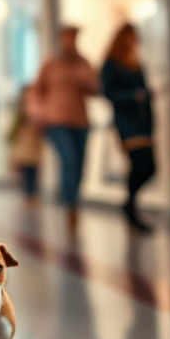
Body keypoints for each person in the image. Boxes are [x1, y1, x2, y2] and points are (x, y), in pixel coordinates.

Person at [33, 24, 98, 232]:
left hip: (80, 120)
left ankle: (74, 199)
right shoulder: (51, 64)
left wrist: (79, 70)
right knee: (69, 160)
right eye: (67, 37)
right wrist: (39, 113)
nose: (70, 42)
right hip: (56, 121)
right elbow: (37, 91)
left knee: (79, 164)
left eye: (73, 38)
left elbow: (94, 87)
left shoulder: (83, 62)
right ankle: (71, 204)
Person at [101, 23, 155, 233]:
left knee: (149, 166)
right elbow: (108, 92)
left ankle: (130, 204)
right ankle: (131, 207)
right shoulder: (111, 64)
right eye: (129, 36)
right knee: (142, 164)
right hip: (127, 122)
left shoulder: (136, 63)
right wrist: (133, 96)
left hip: (143, 122)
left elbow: (144, 91)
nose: (132, 40)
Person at [7, 84, 42, 204]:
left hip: (33, 150)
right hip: (23, 150)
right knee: (26, 173)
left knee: (32, 172)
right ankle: (28, 194)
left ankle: (30, 194)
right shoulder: (20, 116)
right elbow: (12, 133)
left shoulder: (37, 115)